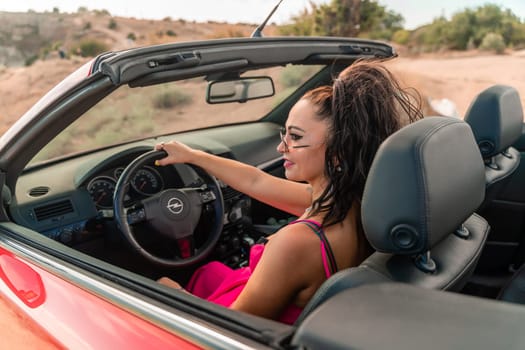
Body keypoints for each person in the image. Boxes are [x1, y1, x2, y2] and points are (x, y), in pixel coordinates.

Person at [154, 59, 423, 324]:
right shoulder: (351, 202)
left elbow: (232, 325)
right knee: (210, 271)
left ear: (339, 154)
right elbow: (256, 182)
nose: (281, 148)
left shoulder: (297, 242)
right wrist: (194, 156)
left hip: (236, 325)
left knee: (162, 283)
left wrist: (174, 293)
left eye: (295, 137)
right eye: (285, 134)